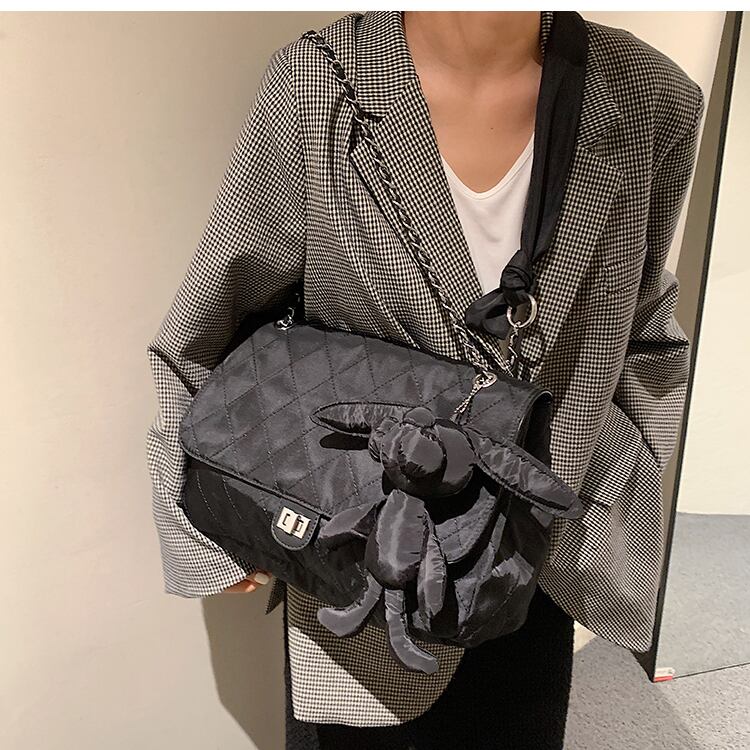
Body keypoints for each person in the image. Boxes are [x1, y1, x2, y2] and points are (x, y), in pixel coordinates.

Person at [146, 10, 705, 749]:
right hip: (357, 556)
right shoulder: (318, 83)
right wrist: (203, 524)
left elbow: (643, 329)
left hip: (538, 552)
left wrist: (620, 508)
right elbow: (208, 317)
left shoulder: (650, 99)